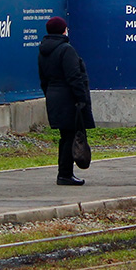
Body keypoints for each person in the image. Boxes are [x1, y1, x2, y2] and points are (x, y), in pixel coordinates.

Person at [38, 16, 94, 187]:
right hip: (69, 98)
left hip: (54, 97)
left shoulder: (43, 51)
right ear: (63, 30)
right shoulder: (65, 49)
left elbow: (43, 79)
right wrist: (81, 98)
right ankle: (65, 174)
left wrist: (50, 94)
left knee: (66, 136)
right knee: (71, 135)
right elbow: (74, 77)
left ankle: (65, 173)